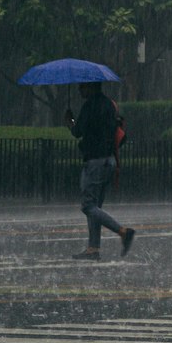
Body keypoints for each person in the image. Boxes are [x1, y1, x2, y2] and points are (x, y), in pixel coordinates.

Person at [65, 81, 135, 260]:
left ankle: (123, 231)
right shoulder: (109, 104)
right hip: (109, 160)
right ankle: (93, 248)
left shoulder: (90, 106)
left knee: (88, 206)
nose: (80, 90)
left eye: (82, 87)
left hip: (95, 161)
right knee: (96, 206)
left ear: (90, 87)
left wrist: (70, 122)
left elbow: (78, 132)